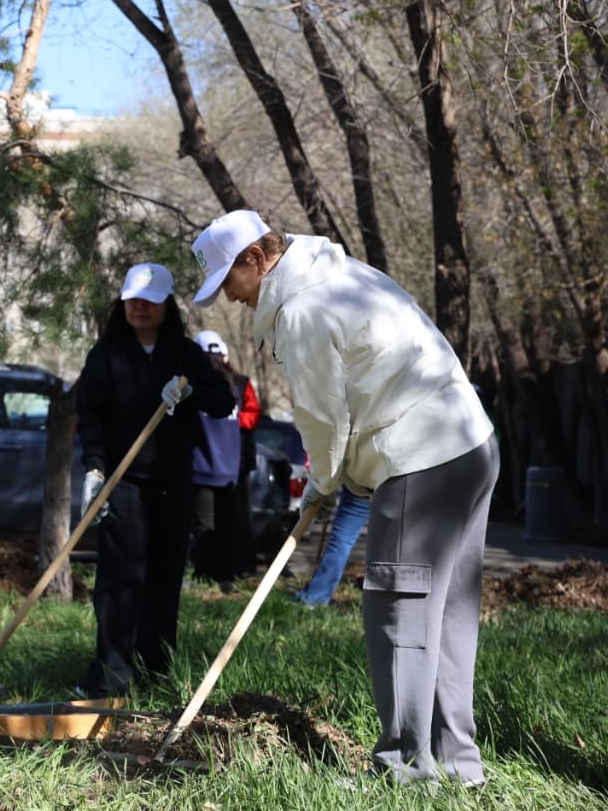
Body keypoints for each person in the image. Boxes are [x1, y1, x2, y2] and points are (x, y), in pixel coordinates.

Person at [191, 209, 498, 787]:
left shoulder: (304, 308)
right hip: (471, 445)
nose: (231, 299)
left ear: (257, 259)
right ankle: (458, 766)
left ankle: (406, 769)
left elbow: (322, 418)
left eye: (229, 282)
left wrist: (324, 480)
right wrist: (337, 475)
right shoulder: (340, 273)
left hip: (421, 456)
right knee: (449, 613)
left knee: (401, 613)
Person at [73, 262, 235, 699]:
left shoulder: (185, 355)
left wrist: (190, 393)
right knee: (118, 579)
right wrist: (94, 467)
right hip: (122, 484)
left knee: (163, 579)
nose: (139, 308)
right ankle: (111, 674)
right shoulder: (106, 355)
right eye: (132, 300)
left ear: (167, 304)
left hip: (172, 484)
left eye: (149, 300)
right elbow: (88, 414)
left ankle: (155, 670)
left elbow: (224, 401)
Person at [189, 330, 260, 589]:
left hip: (205, 467)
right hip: (228, 468)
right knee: (226, 523)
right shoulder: (231, 383)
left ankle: (211, 575)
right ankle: (225, 575)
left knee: (207, 523)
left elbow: (251, 416)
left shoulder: (204, 385)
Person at [295, 488, 371, 606]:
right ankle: (390, 600)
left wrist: (327, 487)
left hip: (361, 487)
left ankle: (316, 597)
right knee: (393, 545)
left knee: (341, 541)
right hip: (396, 485)